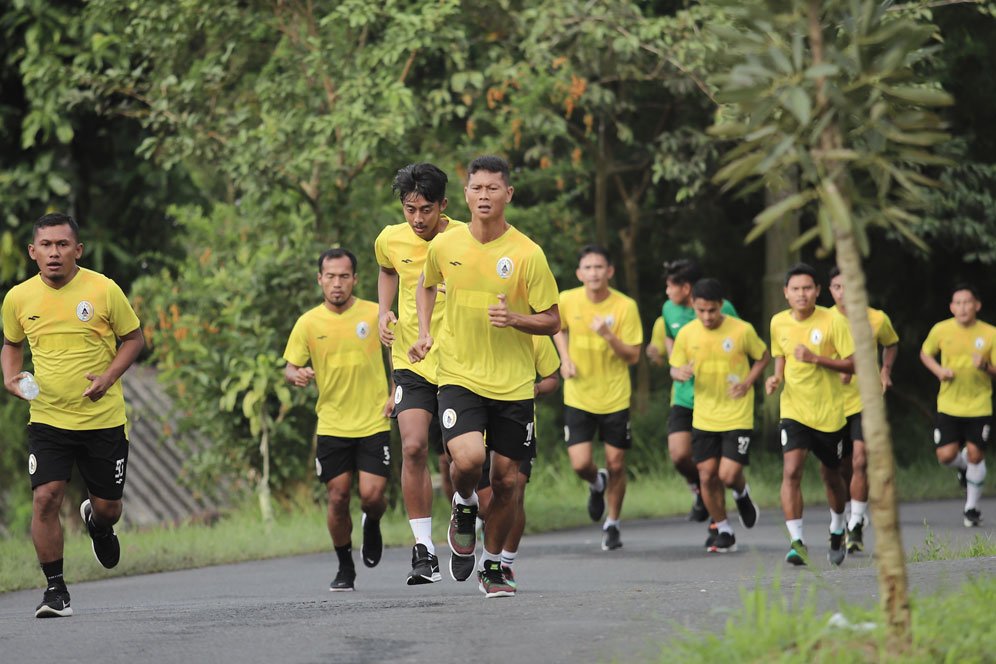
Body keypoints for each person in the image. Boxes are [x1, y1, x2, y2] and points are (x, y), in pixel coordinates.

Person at [409, 155, 560, 598]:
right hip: (458, 373)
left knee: (509, 481)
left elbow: (552, 319)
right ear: (467, 194)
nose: (484, 196)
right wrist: (423, 331)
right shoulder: (447, 244)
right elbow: (426, 282)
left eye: (493, 188)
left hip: (513, 383)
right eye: (477, 188)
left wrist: (515, 319)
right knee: (470, 460)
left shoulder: (527, 253)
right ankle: (464, 503)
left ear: (508, 194)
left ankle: (492, 567)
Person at [1, 212, 144, 618]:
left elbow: (134, 339)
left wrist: (108, 377)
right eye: (45, 245)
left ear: (77, 250)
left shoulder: (103, 289)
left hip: (102, 419)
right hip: (47, 418)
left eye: (63, 245)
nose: (54, 253)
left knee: (108, 508)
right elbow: (11, 344)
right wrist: (11, 376)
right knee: (45, 498)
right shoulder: (18, 298)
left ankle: (98, 524)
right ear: (32, 252)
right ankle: (55, 589)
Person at [374, 162, 465, 585]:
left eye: (426, 209)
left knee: (459, 458)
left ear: (443, 205)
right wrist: (382, 310)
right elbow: (387, 270)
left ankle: (464, 507)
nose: (417, 219)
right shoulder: (390, 238)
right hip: (410, 361)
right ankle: (423, 550)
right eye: (410, 209)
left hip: (461, 363)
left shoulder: (465, 238)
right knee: (412, 448)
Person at [283, 248, 394, 592]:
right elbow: (290, 367)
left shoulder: (376, 314)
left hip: (375, 418)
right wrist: (297, 375)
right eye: (330, 276)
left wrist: (396, 391)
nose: (337, 283)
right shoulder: (308, 323)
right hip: (332, 423)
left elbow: (399, 356)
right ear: (319, 280)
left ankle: (372, 522)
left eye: (344, 276)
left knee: (373, 495)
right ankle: (345, 565)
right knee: (338, 496)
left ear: (355, 279)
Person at [765, 263, 854, 566]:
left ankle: (837, 529)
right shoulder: (778, 322)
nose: (801, 294)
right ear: (786, 293)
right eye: (795, 289)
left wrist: (816, 358)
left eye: (807, 288)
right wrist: (776, 378)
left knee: (832, 476)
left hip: (829, 414)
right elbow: (780, 356)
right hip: (794, 410)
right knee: (791, 470)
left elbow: (853, 363)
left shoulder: (833, 321)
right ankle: (797, 542)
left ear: (817, 291)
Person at [670, 279, 768, 553]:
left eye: (712, 310)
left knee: (727, 474)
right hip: (704, 415)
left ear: (721, 306)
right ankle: (724, 529)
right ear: (693, 306)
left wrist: (748, 382)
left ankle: (741, 493)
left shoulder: (741, 330)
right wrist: (678, 373)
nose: (707, 317)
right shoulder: (687, 334)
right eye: (701, 311)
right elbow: (674, 366)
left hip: (737, 412)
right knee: (706, 474)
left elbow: (762, 356)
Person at [554, 245, 642, 550]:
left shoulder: (625, 307)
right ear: (580, 273)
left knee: (617, 463)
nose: (593, 273)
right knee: (580, 464)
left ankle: (613, 523)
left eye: (599, 267)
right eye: (588, 268)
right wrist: (564, 358)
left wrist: (608, 335)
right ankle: (596, 482)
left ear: (610, 271)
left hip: (615, 396)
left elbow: (633, 356)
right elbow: (557, 328)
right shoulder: (567, 299)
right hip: (578, 395)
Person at [473, 334, 560, 587]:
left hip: (517, 421)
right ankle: (483, 531)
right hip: (478, 425)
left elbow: (552, 378)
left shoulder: (533, 331)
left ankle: (505, 563)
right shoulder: (473, 323)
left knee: (515, 490)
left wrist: (537, 388)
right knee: (487, 501)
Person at [662, 259, 740, 523]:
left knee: (714, 470)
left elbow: (739, 343)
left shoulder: (724, 307)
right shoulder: (668, 309)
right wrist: (677, 368)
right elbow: (669, 345)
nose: (667, 292)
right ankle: (698, 487)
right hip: (684, 395)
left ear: (686, 288)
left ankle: (720, 525)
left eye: (670, 286)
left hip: (717, 398)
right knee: (679, 454)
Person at [827, 266, 899, 552]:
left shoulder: (877, 318)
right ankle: (847, 516)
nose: (843, 293)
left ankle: (855, 524)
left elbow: (891, 343)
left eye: (849, 286)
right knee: (841, 467)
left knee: (860, 461)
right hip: (831, 404)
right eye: (837, 287)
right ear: (829, 290)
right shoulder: (824, 319)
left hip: (865, 400)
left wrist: (885, 370)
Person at [919, 284, 996, 527]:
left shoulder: (990, 333)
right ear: (952, 307)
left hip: (979, 404)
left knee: (976, 454)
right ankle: (962, 467)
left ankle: (971, 509)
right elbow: (925, 353)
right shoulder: (941, 330)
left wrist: (985, 366)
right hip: (949, 403)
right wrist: (939, 371)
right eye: (958, 303)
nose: (963, 307)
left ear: (977, 305)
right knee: (945, 455)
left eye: (967, 302)